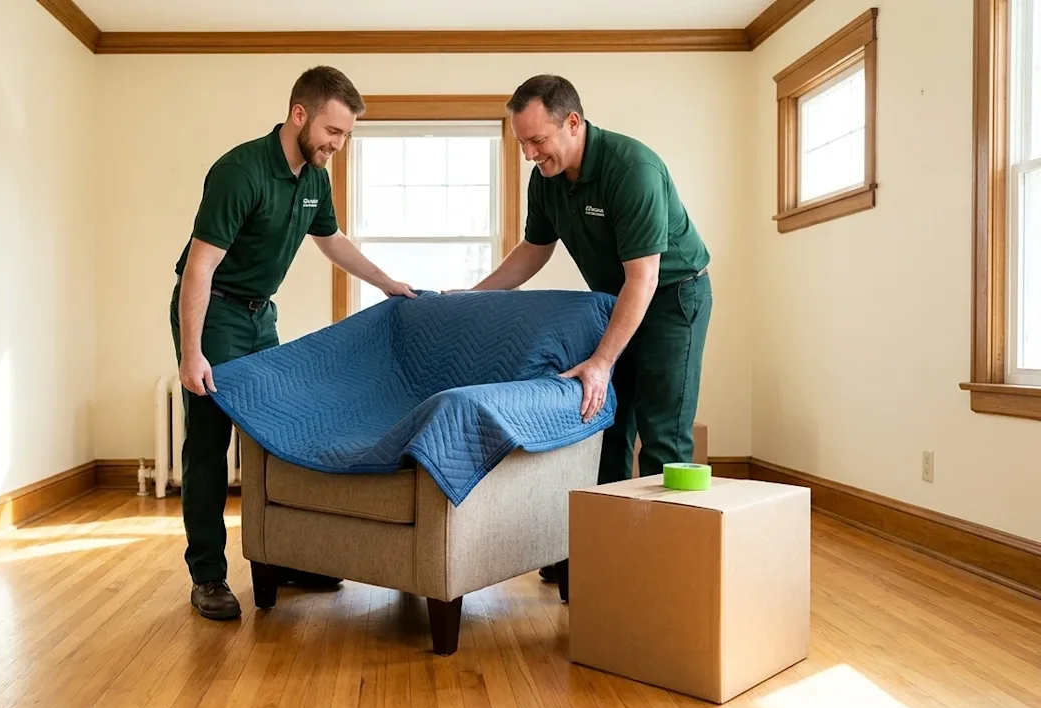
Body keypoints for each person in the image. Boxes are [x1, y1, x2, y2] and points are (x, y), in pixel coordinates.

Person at [170, 65, 416, 620]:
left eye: (347, 135)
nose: (338, 143)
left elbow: (332, 242)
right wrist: (191, 352)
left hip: (261, 317)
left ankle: (284, 555)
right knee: (209, 445)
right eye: (333, 131)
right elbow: (200, 268)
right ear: (299, 114)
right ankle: (208, 575)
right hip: (216, 313)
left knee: (275, 435)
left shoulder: (314, 179)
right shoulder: (240, 172)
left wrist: (387, 283)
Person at [462, 75, 712, 582]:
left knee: (662, 433)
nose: (531, 154)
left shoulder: (631, 169)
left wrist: (601, 363)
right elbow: (534, 250)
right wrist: (474, 297)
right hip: (615, 300)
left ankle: (667, 572)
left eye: (538, 140)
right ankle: (602, 557)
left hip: (672, 297)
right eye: (523, 143)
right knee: (605, 426)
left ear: (573, 123)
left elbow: (644, 277)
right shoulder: (547, 178)